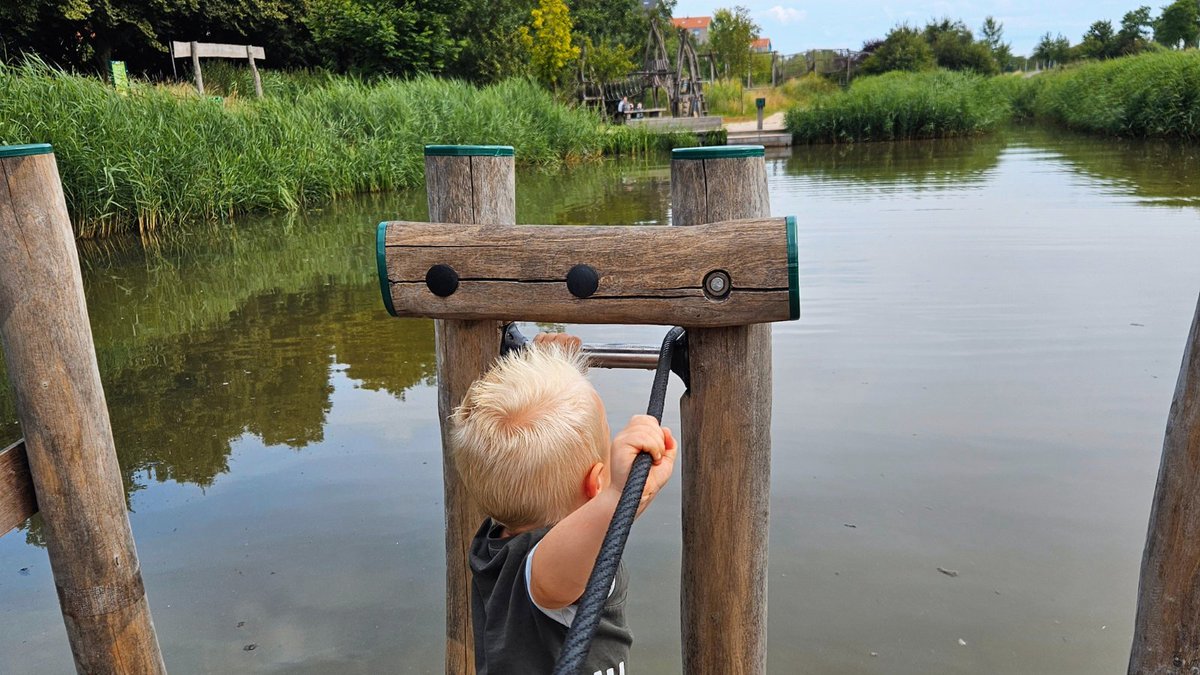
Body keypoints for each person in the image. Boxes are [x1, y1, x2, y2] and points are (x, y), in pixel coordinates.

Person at [450, 333, 677, 674]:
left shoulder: (494, 546)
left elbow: (544, 457)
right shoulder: (549, 571)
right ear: (595, 482)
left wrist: (549, 363)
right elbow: (552, 575)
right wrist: (619, 496)